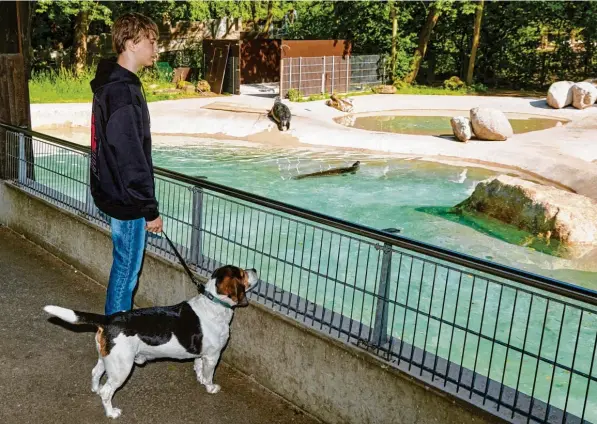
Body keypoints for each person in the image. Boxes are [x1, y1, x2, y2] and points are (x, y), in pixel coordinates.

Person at [89, 12, 163, 315]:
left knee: (122, 266)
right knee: (126, 273)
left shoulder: (112, 84)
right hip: (127, 200)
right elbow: (131, 157)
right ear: (132, 43)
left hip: (112, 193)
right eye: (151, 41)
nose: (155, 49)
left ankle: (111, 338)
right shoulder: (122, 92)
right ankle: (114, 345)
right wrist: (149, 209)